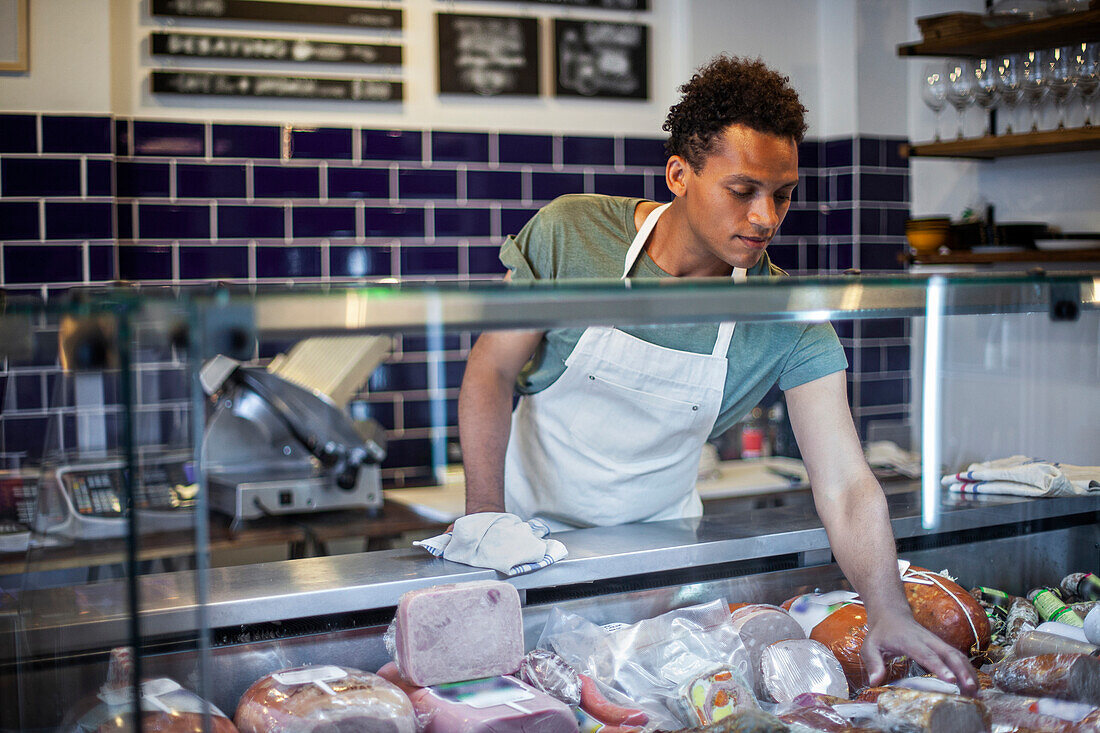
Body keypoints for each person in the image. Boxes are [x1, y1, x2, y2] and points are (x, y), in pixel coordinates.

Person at [457, 55, 978, 694]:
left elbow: (845, 484)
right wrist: (484, 523)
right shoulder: (575, 233)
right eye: (742, 191)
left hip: (658, 576)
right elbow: (490, 372)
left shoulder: (787, 317)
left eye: (782, 195)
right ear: (680, 173)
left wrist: (887, 609)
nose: (766, 218)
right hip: (523, 555)